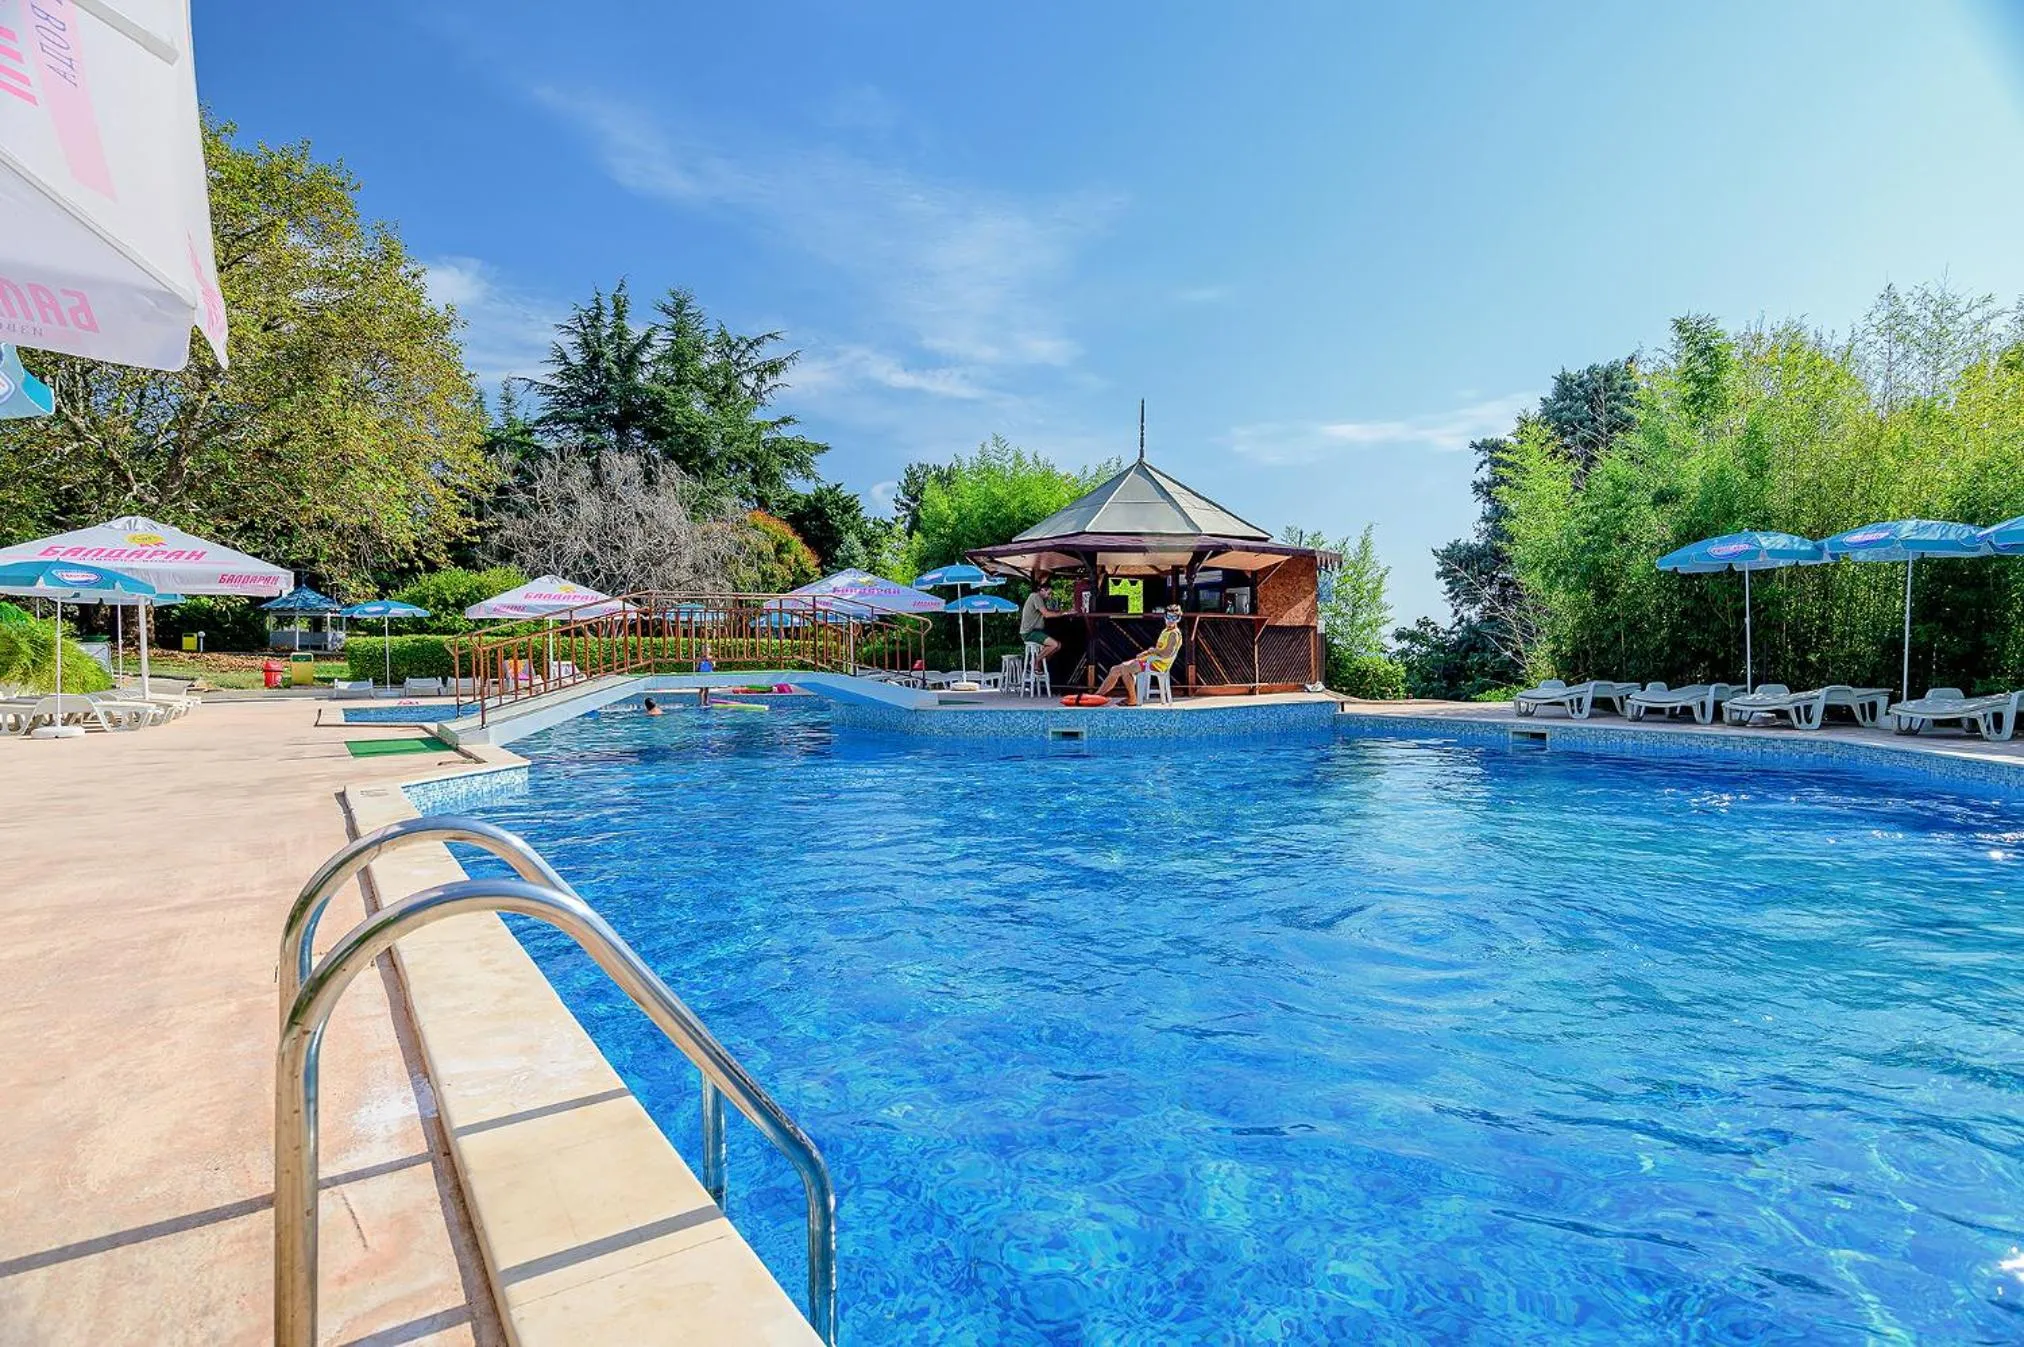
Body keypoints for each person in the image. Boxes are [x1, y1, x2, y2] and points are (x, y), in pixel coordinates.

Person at [1094, 604, 1183, 706]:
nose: (1171, 620)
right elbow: (1160, 650)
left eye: (1174, 617)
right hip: (1151, 660)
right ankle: (1097, 696)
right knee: (1115, 669)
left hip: (1157, 664)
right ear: (1165, 616)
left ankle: (1133, 699)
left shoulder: (1174, 634)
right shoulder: (1166, 631)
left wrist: (1152, 651)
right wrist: (1148, 652)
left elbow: (1167, 653)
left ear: (1178, 619)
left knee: (1125, 669)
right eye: (1169, 616)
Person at [1019, 574, 1062, 661]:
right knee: (1055, 645)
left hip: (1036, 631)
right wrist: (1064, 613)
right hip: (1030, 633)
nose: (1050, 597)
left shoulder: (1040, 599)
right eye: (1049, 594)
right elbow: (1046, 614)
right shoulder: (1036, 596)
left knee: (1058, 646)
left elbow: (1049, 611)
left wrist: (1060, 611)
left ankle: (1042, 664)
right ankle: (1035, 663)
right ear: (1042, 590)